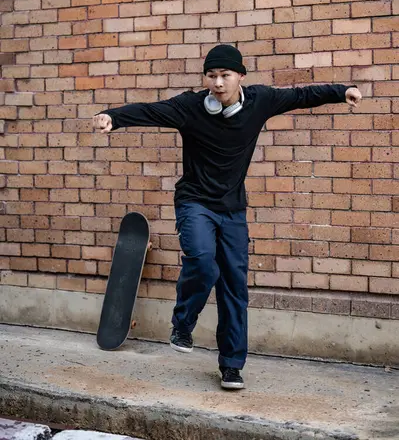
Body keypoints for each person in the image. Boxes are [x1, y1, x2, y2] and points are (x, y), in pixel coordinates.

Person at [93, 44, 362, 390]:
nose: (218, 83)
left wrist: (342, 92)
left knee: (234, 287)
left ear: (240, 77)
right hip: (195, 203)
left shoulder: (261, 101)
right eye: (212, 76)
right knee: (203, 261)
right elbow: (150, 111)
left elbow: (301, 95)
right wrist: (112, 117)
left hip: (233, 209)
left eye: (225, 76)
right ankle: (183, 323)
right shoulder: (190, 107)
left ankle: (232, 365)